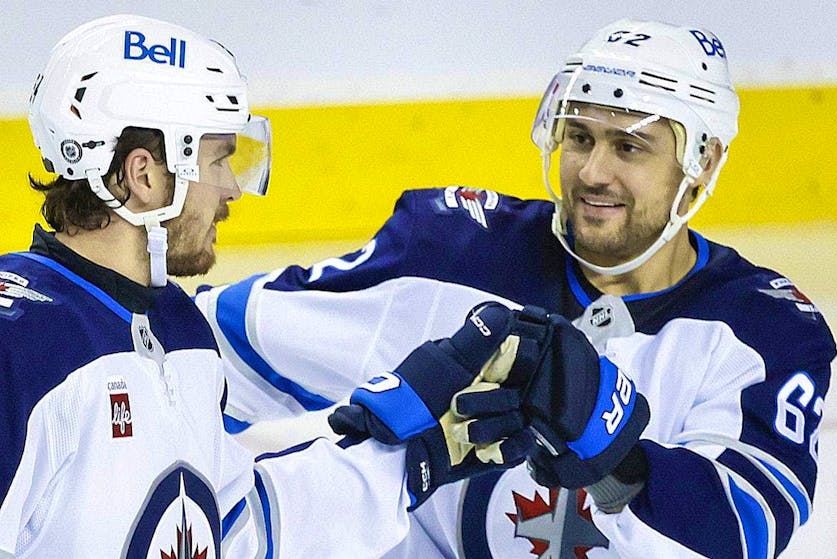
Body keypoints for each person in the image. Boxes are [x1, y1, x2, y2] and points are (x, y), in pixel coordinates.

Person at [197, 18, 837, 558]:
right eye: (580, 137)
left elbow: (748, 526)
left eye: (630, 148)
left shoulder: (765, 331)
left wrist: (616, 453)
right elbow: (210, 346)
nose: (592, 172)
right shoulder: (451, 251)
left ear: (699, 170)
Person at [0, 14, 548, 557]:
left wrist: (407, 460)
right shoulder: (19, 346)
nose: (231, 191)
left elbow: (232, 534)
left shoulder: (180, 333)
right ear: (145, 176)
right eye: (217, 161)